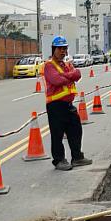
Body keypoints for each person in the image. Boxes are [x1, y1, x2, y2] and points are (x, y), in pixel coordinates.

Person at [43, 35, 91, 171]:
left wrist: (67, 76)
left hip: (69, 104)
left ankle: (77, 157)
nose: (62, 51)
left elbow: (78, 74)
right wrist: (70, 76)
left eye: (64, 49)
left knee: (76, 130)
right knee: (57, 134)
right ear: (54, 49)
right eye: (59, 49)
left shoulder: (68, 64)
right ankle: (59, 160)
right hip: (55, 105)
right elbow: (57, 80)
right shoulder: (48, 66)